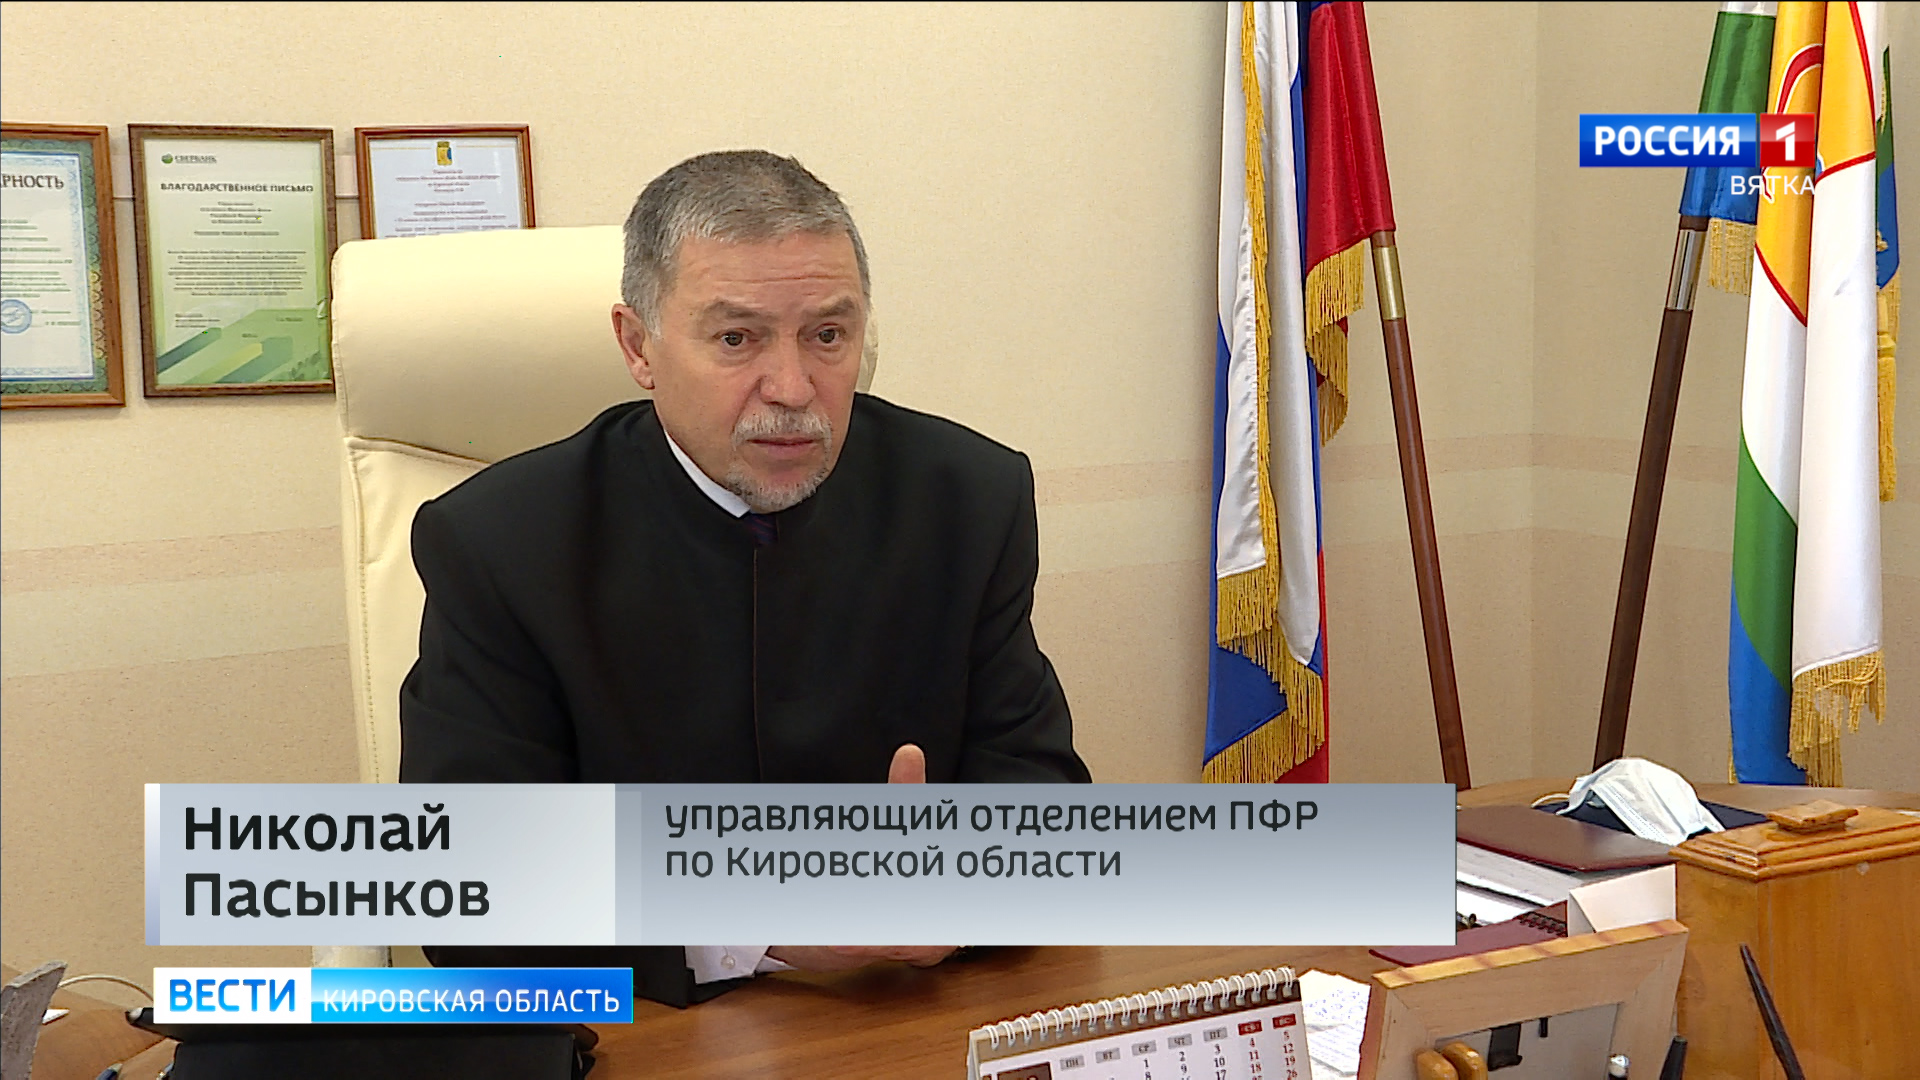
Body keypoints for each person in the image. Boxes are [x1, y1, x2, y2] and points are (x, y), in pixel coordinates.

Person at [399, 150, 1091, 1005]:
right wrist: (755, 927)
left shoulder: (966, 498)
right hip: (653, 1031)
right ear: (638, 346)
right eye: (737, 339)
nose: (793, 388)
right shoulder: (500, 541)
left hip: (902, 1015)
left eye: (827, 336)